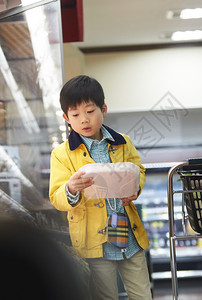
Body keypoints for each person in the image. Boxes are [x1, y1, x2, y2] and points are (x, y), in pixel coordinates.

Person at [49, 75, 152, 300]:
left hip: (128, 235)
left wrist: (135, 188)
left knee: (143, 295)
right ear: (66, 118)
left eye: (90, 111)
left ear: (103, 110)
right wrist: (71, 188)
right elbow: (56, 197)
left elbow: (139, 170)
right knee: (106, 297)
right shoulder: (61, 154)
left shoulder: (123, 142)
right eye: (75, 115)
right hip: (94, 240)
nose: (84, 120)